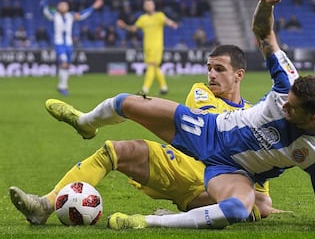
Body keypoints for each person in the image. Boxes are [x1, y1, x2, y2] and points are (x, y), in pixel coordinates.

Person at [33, 0, 315, 230]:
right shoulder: (287, 81)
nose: (284, 105)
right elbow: (264, 33)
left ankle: (148, 222)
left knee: (237, 209)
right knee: (127, 102)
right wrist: (266, 4)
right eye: (285, 99)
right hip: (209, 129)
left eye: (291, 108)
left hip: (233, 172)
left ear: (313, 119)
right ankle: (86, 122)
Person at [9, 44, 281, 225]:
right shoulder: (202, 93)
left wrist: (258, 202)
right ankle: (44, 205)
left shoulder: (252, 113)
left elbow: (259, 184)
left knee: (262, 202)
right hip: (182, 167)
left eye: (219, 69)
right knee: (115, 151)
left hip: (220, 185)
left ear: (239, 75)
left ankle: (169, 216)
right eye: (209, 67)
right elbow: (215, 125)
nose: (211, 74)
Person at [40, 0, 104, 96]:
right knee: (64, 63)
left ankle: (62, 86)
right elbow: (43, 9)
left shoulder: (71, 15)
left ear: (68, 7)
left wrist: (93, 7)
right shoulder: (53, 15)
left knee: (67, 65)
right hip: (59, 44)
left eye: (65, 5)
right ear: (58, 7)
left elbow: (83, 14)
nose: (63, 6)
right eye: (61, 5)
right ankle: (62, 87)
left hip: (69, 44)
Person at [117, 0, 178, 95]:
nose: (148, 6)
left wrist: (172, 24)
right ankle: (164, 88)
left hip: (157, 47)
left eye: (150, 4)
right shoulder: (143, 18)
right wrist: (124, 26)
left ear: (154, 5)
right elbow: (134, 29)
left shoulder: (159, 15)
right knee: (155, 67)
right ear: (144, 7)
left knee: (151, 66)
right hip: (147, 47)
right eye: (146, 4)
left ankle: (145, 89)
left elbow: (167, 21)